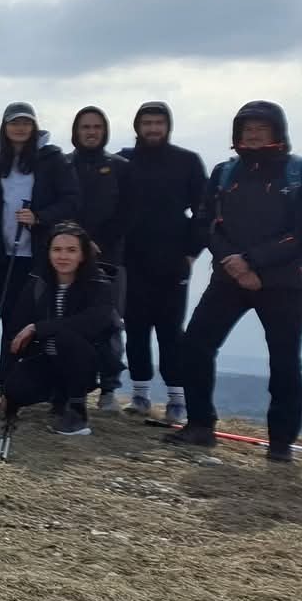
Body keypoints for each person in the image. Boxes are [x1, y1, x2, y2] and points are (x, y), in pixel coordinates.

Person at [163, 102, 302, 461]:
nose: (252, 135)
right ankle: (200, 425)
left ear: (277, 132)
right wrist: (235, 264)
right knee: (195, 346)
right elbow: (207, 224)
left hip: (283, 284)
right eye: (247, 129)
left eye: (261, 129)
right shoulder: (224, 172)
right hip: (228, 278)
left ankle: (280, 443)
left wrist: (252, 262)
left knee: (284, 362)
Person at [117, 101, 207, 419]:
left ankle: (177, 399)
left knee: (171, 331)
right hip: (131, 260)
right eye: (147, 123)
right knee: (135, 328)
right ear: (137, 127)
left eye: (159, 123)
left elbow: (204, 211)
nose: (153, 128)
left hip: (173, 260)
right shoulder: (123, 161)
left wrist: (191, 253)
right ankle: (140, 395)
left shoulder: (187, 161)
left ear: (168, 126)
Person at [0, 102, 79, 362]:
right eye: (14, 123)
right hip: (0, 253)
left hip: (39, 252)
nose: (20, 128)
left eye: (26, 123)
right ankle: (8, 374)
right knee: (8, 313)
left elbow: (71, 200)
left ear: (34, 126)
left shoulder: (53, 159)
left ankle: (36, 370)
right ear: (5, 127)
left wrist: (39, 217)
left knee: (36, 315)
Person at [3, 223, 121, 438]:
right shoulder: (38, 283)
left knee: (64, 338)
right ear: (48, 253)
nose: (63, 256)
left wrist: (39, 327)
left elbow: (94, 322)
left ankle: (76, 410)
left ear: (82, 255)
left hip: (87, 361)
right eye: (57, 250)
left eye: (71, 250)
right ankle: (58, 397)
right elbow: (16, 329)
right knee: (15, 389)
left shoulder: (99, 283)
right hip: (47, 359)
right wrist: (6, 380)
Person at [65, 106, 133, 408]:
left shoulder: (121, 167)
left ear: (104, 131)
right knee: (67, 321)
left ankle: (108, 388)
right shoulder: (63, 164)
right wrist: (78, 241)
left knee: (110, 323)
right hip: (66, 257)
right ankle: (69, 386)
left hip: (110, 258)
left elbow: (128, 213)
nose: (91, 132)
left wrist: (98, 243)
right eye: (85, 127)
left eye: (96, 127)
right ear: (76, 131)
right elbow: (59, 206)